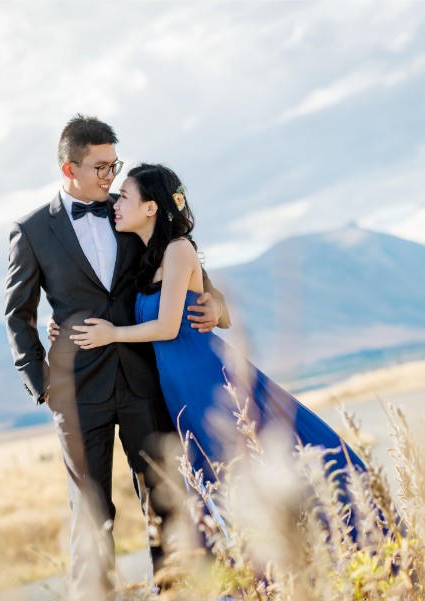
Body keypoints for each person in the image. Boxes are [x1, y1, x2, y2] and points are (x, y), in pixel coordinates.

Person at [64, 163, 367, 527]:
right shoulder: (144, 254)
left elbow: (169, 325)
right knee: (218, 475)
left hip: (207, 375)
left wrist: (113, 333)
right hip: (178, 385)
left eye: (125, 196)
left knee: (246, 460)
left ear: (150, 208)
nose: (116, 203)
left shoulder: (178, 249)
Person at [4, 115, 229, 601]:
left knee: (166, 499)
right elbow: (17, 314)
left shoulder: (127, 212)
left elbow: (185, 267)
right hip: (76, 391)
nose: (111, 176)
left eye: (114, 165)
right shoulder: (31, 230)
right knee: (91, 513)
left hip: (144, 380)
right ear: (70, 169)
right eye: (101, 166)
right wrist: (42, 381)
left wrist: (213, 304)